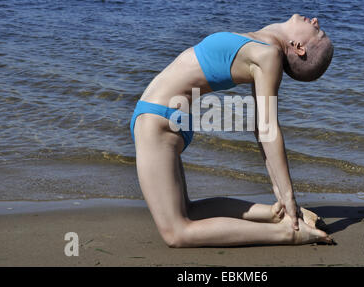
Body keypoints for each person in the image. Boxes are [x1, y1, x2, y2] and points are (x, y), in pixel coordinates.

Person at [130, 14, 334, 247]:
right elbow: (262, 130)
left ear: (299, 48)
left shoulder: (269, 55)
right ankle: (277, 215)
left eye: (318, 32)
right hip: (162, 117)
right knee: (189, 211)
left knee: (176, 233)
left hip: (157, 118)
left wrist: (288, 195)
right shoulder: (262, 44)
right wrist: (286, 202)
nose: (316, 21)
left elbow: (266, 127)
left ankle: (289, 233)